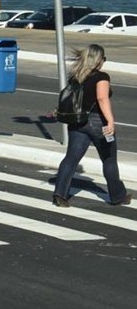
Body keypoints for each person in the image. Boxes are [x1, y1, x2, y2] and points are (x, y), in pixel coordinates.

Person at [53, 44, 130, 207]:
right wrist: (110, 121)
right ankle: (118, 196)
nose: (104, 62)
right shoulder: (101, 77)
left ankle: (60, 195)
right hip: (98, 122)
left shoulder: (76, 75)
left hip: (78, 122)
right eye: (103, 59)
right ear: (98, 60)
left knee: (71, 158)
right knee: (109, 159)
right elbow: (102, 98)